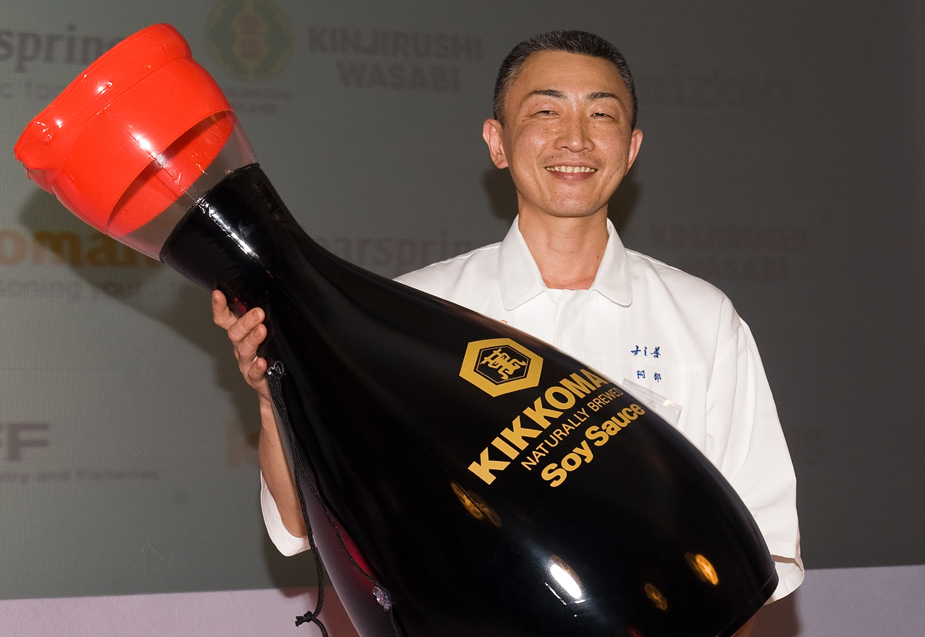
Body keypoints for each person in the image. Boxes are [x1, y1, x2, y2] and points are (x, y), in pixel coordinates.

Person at [213, 29, 803, 634]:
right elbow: (299, 526)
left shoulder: (701, 318)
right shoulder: (415, 311)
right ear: (497, 142)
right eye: (546, 112)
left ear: (631, 148)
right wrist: (272, 395)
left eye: (601, 114)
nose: (575, 138)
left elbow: (758, 557)